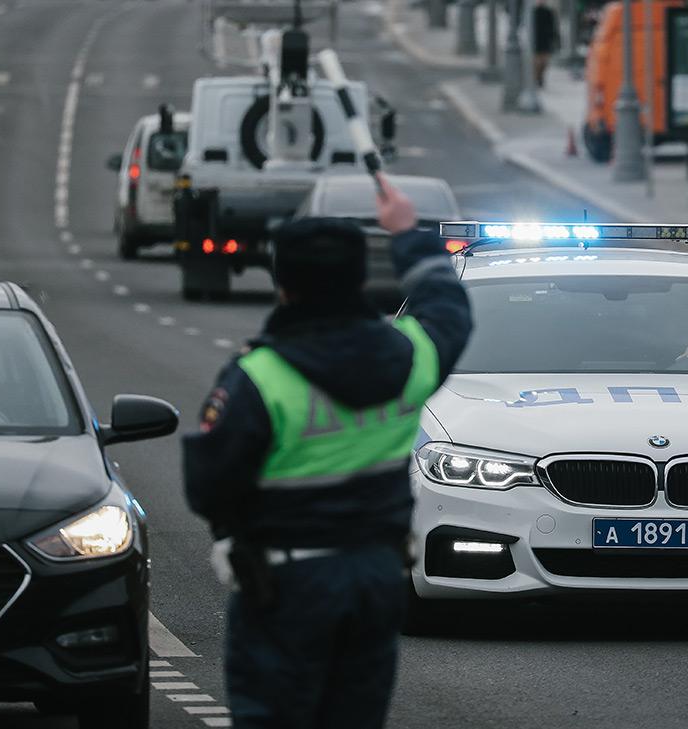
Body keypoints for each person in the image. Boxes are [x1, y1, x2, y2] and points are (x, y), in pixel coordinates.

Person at [182, 174, 472, 729]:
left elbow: (208, 484)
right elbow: (448, 308)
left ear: (283, 284)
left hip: (287, 588)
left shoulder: (259, 376)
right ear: (360, 277)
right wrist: (409, 234)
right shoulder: (410, 355)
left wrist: (234, 533)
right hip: (377, 580)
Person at [532, 0, 560, 89]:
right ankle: (537, 78)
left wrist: (554, 39)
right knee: (537, 62)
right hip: (536, 41)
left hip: (545, 40)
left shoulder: (548, 12)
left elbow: (553, 27)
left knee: (544, 62)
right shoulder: (533, 12)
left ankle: (540, 77)